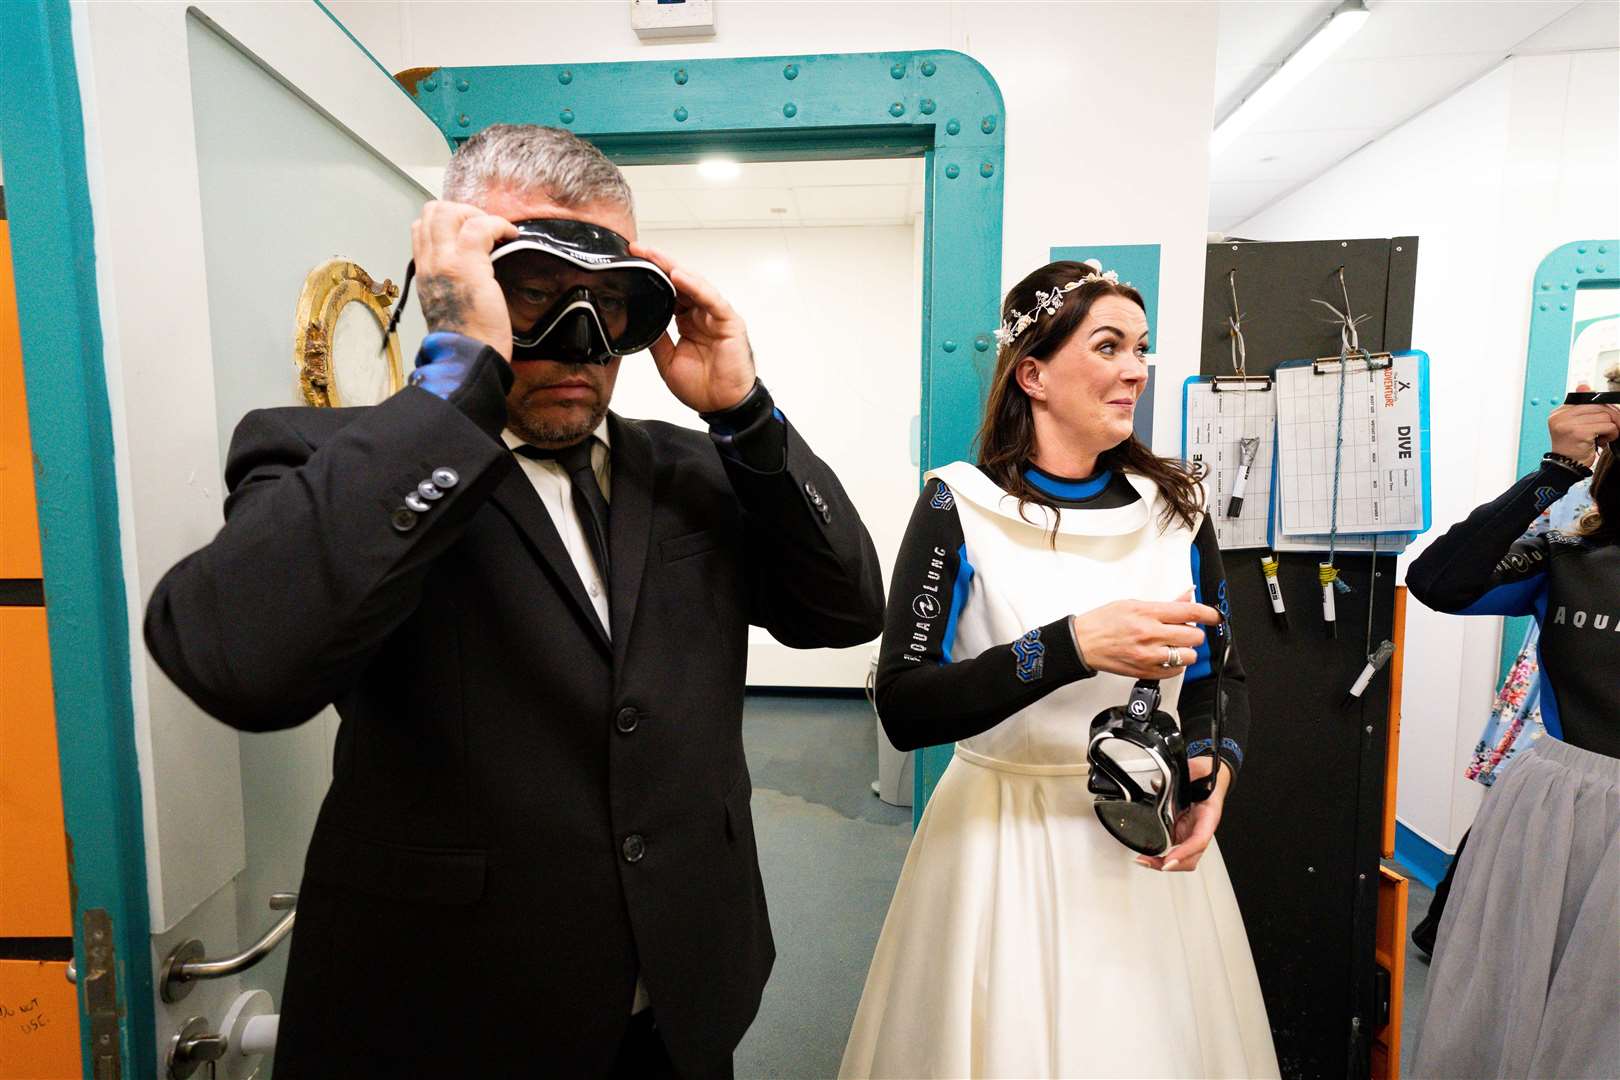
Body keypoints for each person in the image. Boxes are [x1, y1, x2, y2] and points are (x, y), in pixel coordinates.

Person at [144, 124, 885, 1078]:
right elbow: (235, 658)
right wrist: (457, 377)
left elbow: (846, 609)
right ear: (457, 278)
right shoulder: (335, 460)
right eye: (530, 290)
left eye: (608, 304)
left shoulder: (695, 467)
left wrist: (743, 412)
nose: (579, 341)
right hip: (445, 1026)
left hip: (683, 999)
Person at [839, 261, 1279, 1078]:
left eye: (1141, 348)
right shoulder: (958, 506)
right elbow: (904, 706)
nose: (1136, 370)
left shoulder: (1176, 508)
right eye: (1109, 346)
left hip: (1144, 838)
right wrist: (1071, 646)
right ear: (1033, 374)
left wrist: (1212, 772)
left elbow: (1221, 676)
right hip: (1000, 843)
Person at [1405, 384, 1620, 1077]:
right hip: (1554, 815)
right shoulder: (1568, 555)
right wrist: (1556, 469)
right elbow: (1438, 580)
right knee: (1503, 1011)